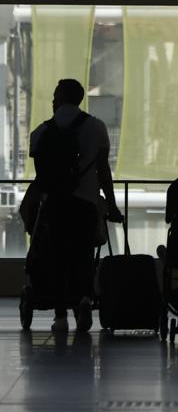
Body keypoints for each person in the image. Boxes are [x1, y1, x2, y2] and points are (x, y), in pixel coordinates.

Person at [28, 78, 123, 335]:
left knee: (58, 256)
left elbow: (41, 179)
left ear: (58, 98)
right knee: (82, 254)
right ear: (80, 98)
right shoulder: (96, 127)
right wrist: (112, 206)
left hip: (55, 204)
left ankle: (60, 316)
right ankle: (83, 299)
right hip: (86, 203)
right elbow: (104, 171)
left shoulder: (40, 133)